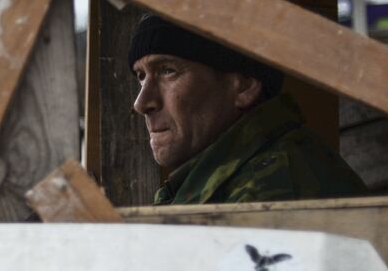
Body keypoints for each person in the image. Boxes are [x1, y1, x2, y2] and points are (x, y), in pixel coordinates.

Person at [130, 14, 366, 205]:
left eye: (168, 71)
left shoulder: (271, 192)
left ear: (244, 86)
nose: (141, 103)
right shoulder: (225, 180)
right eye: (141, 76)